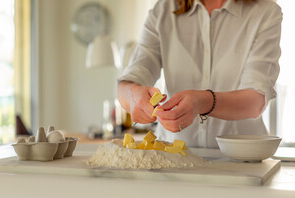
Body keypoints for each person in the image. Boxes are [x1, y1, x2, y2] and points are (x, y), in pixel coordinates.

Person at [117, 0, 282, 148]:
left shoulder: (265, 12)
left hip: (244, 161)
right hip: (173, 162)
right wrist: (133, 95)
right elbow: (131, 79)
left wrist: (205, 102)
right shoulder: (163, 11)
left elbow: (255, 102)